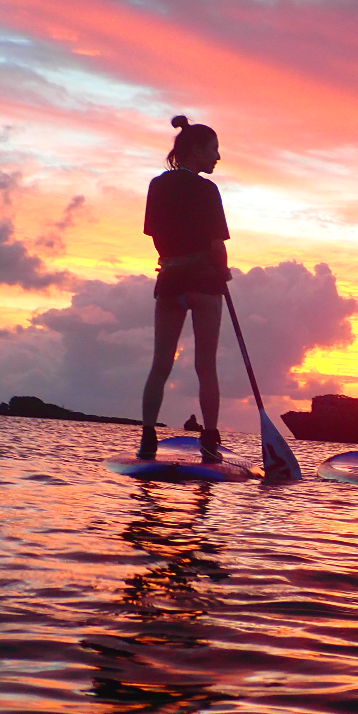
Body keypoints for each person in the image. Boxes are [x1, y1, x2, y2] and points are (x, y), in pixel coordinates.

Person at [138, 115, 231, 462]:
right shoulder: (208, 190)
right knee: (206, 366)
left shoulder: (157, 185)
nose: (217, 157)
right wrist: (223, 272)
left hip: (170, 279)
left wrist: (174, 261)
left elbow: (155, 238)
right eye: (213, 150)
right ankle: (209, 441)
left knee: (160, 364)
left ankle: (148, 437)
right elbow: (215, 244)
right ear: (195, 151)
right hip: (204, 281)